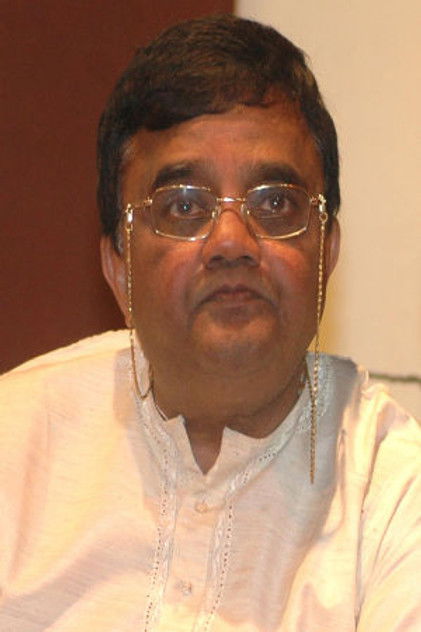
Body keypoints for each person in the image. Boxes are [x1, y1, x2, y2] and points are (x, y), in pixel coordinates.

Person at [0, 14, 419, 632]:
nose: (231, 242)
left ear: (326, 253)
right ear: (118, 268)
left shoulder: (393, 493)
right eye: (182, 206)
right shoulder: (15, 445)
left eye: (275, 203)